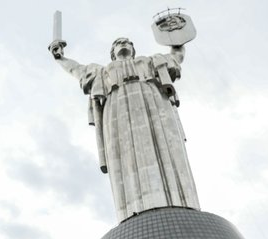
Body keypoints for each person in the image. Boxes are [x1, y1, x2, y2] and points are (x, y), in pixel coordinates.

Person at [50, 37, 200, 222]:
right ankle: (134, 209)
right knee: (125, 155)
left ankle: (176, 200)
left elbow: (175, 57)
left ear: (133, 48)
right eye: (117, 43)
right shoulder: (102, 72)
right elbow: (77, 69)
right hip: (118, 108)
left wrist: (177, 39)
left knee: (164, 146)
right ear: (112, 53)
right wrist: (60, 58)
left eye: (127, 42)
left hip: (152, 100)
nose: (123, 44)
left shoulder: (149, 61)